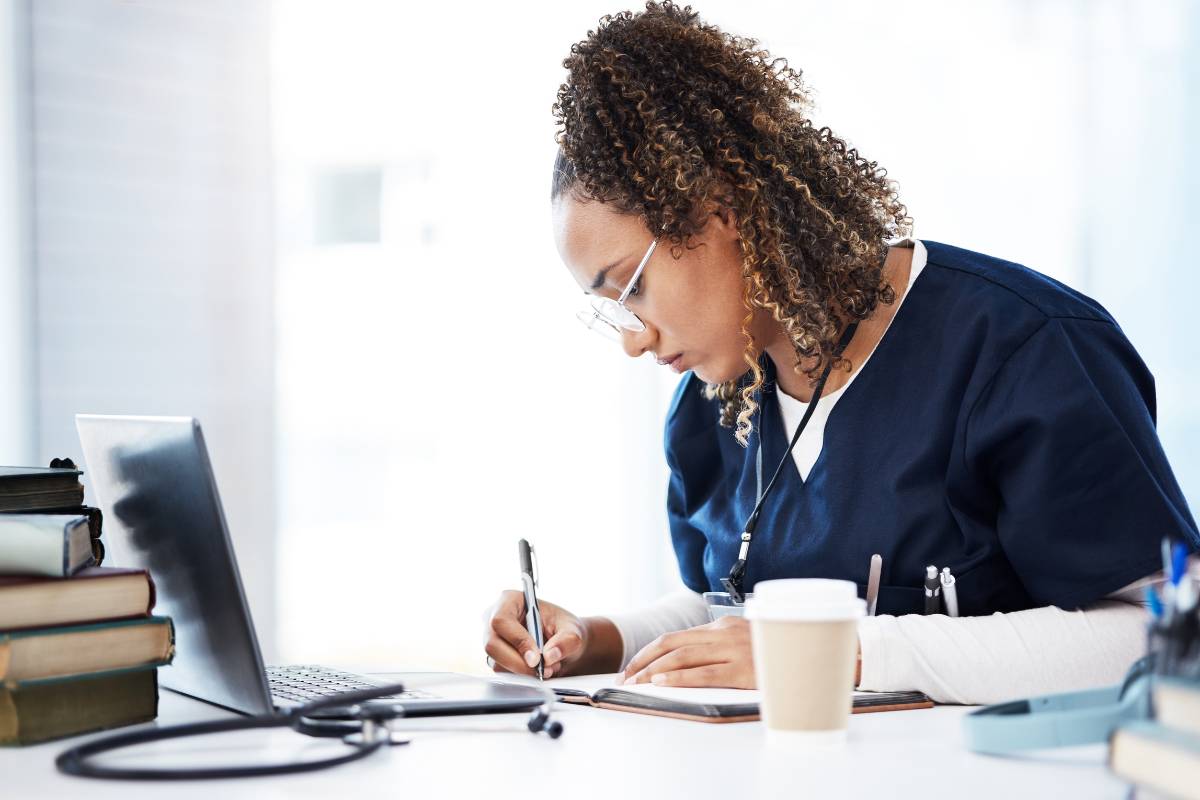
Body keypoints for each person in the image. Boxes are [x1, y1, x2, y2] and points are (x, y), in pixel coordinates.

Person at [483, 1, 1199, 704]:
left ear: (721, 209)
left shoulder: (1026, 349)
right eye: (607, 311)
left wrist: (836, 655)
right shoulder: (712, 407)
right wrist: (598, 638)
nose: (633, 341)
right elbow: (733, 616)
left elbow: (1153, 634)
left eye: (630, 289)